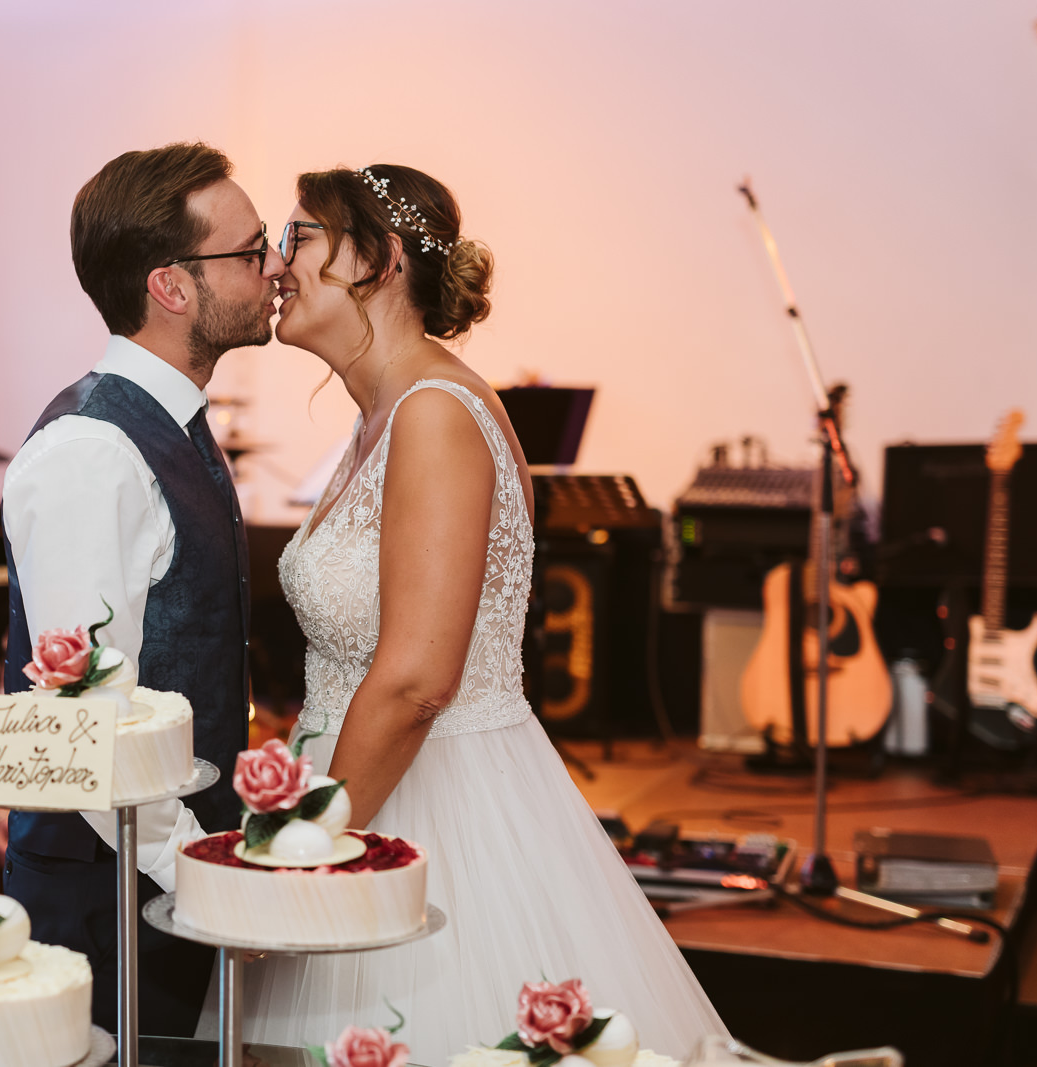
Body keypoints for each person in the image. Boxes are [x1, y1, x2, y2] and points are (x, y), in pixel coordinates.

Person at [231, 165, 726, 1063]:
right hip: (362, 784)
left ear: (376, 261)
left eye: (299, 237)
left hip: (437, 807)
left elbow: (419, 676)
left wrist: (311, 855)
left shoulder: (435, 414)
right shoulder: (378, 415)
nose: (274, 262)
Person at [1, 142, 283, 1034]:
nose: (274, 267)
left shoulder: (173, 425)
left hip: (158, 877)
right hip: (109, 896)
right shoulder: (93, 452)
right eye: (250, 250)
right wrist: (199, 865)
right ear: (172, 285)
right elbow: (79, 720)